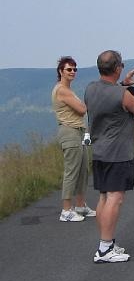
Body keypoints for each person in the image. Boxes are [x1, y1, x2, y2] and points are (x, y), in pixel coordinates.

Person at [85, 50, 134, 264]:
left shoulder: (90, 89)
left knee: (104, 197)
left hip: (99, 152)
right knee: (115, 198)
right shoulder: (121, 95)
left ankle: (107, 243)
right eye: (121, 65)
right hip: (118, 153)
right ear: (117, 68)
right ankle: (105, 249)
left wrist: (123, 83)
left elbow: (109, 95)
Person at [52, 56, 94, 222]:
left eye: (75, 69)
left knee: (83, 169)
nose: (72, 72)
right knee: (72, 171)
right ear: (61, 71)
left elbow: (81, 109)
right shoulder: (62, 90)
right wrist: (85, 105)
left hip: (78, 132)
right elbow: (82, 109)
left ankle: (80, 205)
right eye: (69, 69)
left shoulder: (68, 90)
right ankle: (66, 210)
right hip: (69, 132)